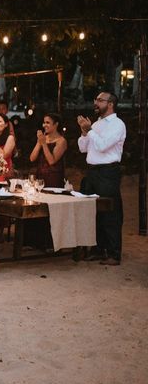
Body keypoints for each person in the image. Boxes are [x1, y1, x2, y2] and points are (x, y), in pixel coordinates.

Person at [77, 91, 126, 266]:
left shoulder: (117, 124)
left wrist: (90, 131)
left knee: (110, 213)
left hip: (107, 172)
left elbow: (103, 146)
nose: (95, 103)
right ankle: (98, 249)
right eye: (95, 99)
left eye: (99, 100)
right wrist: (84, 132)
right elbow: (84, 148)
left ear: (110, 104)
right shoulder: (96, 124)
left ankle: (114, 253)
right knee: (93, 212)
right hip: (92, 172)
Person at [29, 113, 67, 188]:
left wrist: (43, 144)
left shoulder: (61, 141)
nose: (44, 125)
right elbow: (32, 158)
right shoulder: (43, 138)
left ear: (56, 124)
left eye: (48, 123)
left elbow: (51, 161)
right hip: (40, 177)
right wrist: (39, 142)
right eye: (44, 122)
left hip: (54, 178)